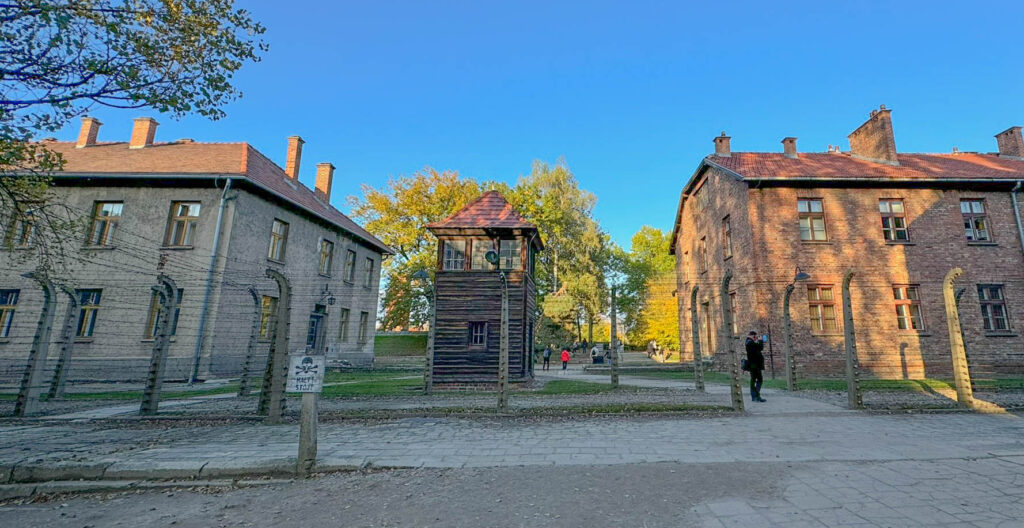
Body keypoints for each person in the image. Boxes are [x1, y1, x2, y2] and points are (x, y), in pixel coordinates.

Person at [745, 331, 766, 402]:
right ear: (752, 336)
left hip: (754, 365)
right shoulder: (750, 342)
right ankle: (756, 395)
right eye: (755, 337)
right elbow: (760, 348)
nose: (756, 338)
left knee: (753, 379)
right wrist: (760, 341)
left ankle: (755, 396)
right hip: (755, 365)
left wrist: (758, 341)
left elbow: (757, 349)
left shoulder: (749, 342)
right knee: (759, 379)